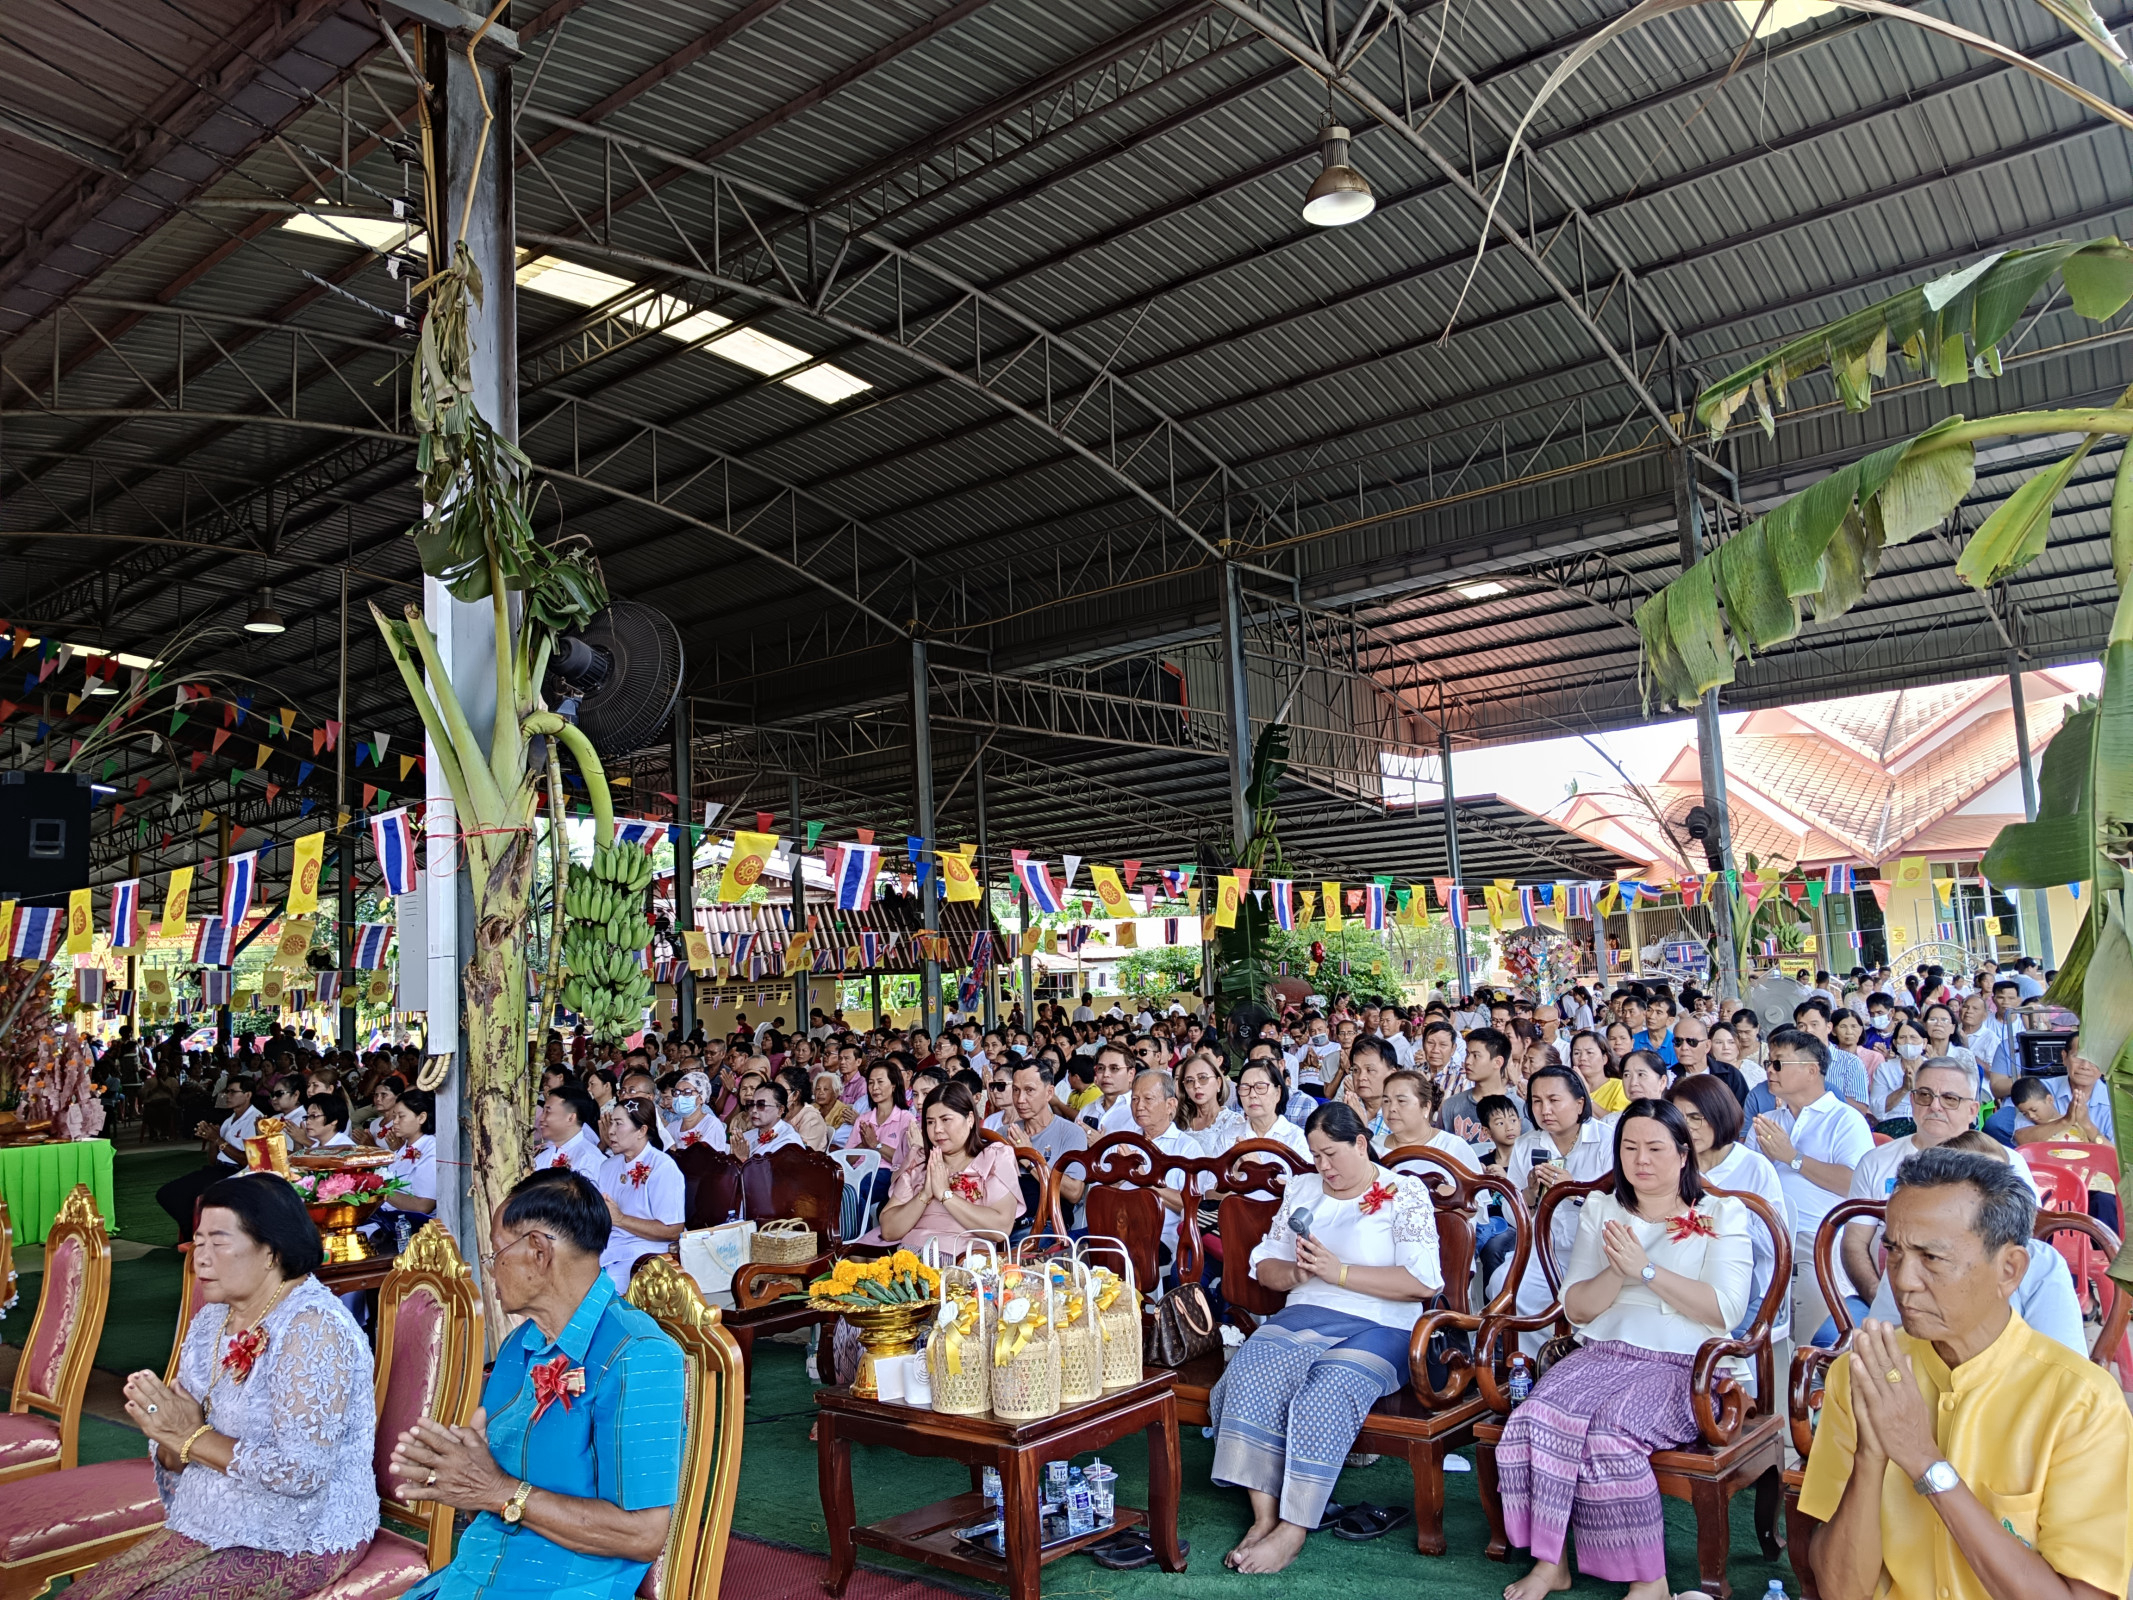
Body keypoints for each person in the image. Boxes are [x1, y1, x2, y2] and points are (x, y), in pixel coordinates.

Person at [1797, 1148, 2133, 1600]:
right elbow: (1841, 1591)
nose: (1903, 1280)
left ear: (2009, 1270)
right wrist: (1871, 1456)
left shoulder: (2083, 1403)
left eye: (1932, 1258)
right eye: (1894, 1251)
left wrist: (1922, 1460)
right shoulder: (1865, 1375)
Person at [1497, 1100, 1754, 1600]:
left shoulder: (1721, 1212)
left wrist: (1646, 1271)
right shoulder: (1603, 1209)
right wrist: (1616, 1271)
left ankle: (1649, 1580)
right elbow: (1576, 1308)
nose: (1641, 1160)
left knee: (1611, 1434)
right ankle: (1551, 1562)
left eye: (1656, 1148)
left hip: (1686, 1363)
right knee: (1534, 1417)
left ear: (1683, 1155)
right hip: (1604, 1351)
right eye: (1630, 1148)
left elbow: (1725, 1310)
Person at [79, 1175, 376, 1600]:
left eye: (218, 1243)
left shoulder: (312, 1328)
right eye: (197, 1243)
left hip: (298, 1536)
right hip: (208, 1519)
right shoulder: (210, 1323)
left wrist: (191, 1436)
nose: (201, 1259)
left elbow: (302, 1473)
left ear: (271, 1251)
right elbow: (178, 1452)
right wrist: (165, 1433)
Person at [394, 1170, 685, 1600]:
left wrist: (497, 1491)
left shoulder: (638, 1354)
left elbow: (642, 1534)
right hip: (472, 1577)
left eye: (495, 1254)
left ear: (537, 1251)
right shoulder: (521, 1344)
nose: (489, 1270)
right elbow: (489, 1483)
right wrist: (456, 1474)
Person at [1209, 1103, 1442, 1573]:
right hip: (1308, 1312)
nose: (1324, 1167)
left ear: (1361, 1143)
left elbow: (1422, 1282)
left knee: (1330, 1388)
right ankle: (1263, 1517)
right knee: (1254, 1367)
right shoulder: (1303, 1188)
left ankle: (1294, 1529)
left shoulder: (1404, 1191)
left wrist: (1339, 1273)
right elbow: (1266, 1267)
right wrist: (1298, 1271)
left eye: (1331, 1154)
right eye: (1315, 1156)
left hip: (1385, 1322)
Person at [1752, 1027, 1874, 1379]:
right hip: (1765, 1236)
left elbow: (1856, 1183)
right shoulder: (1770, 1122)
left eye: (1777, 1063)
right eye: (1767, 1062)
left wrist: (1793, 1159)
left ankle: (1797, 1396)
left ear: (1811, 1070)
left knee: (1794, 1340)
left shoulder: (1844, 1120)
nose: (1769, 1070)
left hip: (1815, 1238)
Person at [1668, 1074, 1791, 1346]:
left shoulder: (1754, 1167)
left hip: (1743, 1287)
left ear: (1718, 1114)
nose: (1687, 1128)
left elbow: (1773, 1245)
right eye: (1679, 1119)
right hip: (1678, 1280)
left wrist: (1719, 1218)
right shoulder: (1670, 1163)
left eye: (1696, 1117)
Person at [1505, 1066, 1616, 1351]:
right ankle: (1537, 1365)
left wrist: (1575, 1193)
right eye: (1537, 1101)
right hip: (1544, 1249)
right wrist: (1529, 1193)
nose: (1545, 1110)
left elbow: (1620, 1208)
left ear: (1579, 1104)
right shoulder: (1525, 1145)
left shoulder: (1608, 1141)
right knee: (1507, 1287)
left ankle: (1582, 1363)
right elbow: (1512, 1216)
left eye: (1554, 1100)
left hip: (1597, 1253)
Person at [875, 1081, 1021, 1256]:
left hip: (962, 1266)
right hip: (909, 1263)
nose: (937, 1130)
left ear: (970, 1119)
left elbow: (1001, 1228)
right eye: (930, 1122)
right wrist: (925, 1194)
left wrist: (945, 1194)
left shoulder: (994, 1158)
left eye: (945, 1120)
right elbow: (889, 1231)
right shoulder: (920, 1161)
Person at [595, 1099, 684, 1288]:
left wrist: (620, 1219)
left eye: (619, 1124)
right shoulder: (608, 1166)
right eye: (611, 1122)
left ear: (642, 1131)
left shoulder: (662, 1167)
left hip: (644, 1253)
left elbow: (673, 1231)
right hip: (608, 1246)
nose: (610, 1131)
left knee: (603, 1285)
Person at [155, 1078, 261, 1235]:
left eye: (233, 1091)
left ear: (248, 1095)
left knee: (198, 1195)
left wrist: (217, 1139)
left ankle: (193, 1233)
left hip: (238, 1173)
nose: (227, 1096)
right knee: (167, 1193)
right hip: (218, 1169)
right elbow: (213, 1161)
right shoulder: (228, 1120)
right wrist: (211, 1140)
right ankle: (190, 1229)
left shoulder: (255, 1120)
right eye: (226, 1092)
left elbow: (249, 1161)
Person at [1376, 1068, 1477, 1172]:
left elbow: (1476, 1187)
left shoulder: (1452, 1147)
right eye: (1386, 1101)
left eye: (1401, 1101)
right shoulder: (1372, 1147)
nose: (1392, 1108)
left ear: (1426, 1107)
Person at [1212, 1058, 1311, 1161]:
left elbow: (1307, 1177)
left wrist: (1258, 1168)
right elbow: (1213, 1176)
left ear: (1278, 1093)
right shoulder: (1228, 1137)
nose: (1252, 1095)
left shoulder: (1296, 1138)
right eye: (1245, 1088)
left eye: (1260, 1087)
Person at [536, 1086, 604, 1174]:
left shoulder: (589, 1160)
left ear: (570, 1118)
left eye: (548, 1111)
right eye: (543, 1112)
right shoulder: (544, 1154)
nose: (541, 1118)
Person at [737, 1080, 805, 1158]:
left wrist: (743, 1158)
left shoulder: (789, 1142)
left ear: (780, 1110)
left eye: (761, 1105)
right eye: (751, 1104)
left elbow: (770, 1170)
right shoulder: (748, 1136)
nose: (754, 1110)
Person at [664, 1070, 728, 1153]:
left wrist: (675, 1152)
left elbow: (709, 1161)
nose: (680, 1097)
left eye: (687, 1092)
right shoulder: (671, 1128)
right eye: (677, 1092)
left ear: (701, 1098)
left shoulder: (711, 1125)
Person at [1569, 1030, 1628, 1116]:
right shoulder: (1568, 1088)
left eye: (1589, 1053)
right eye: (1577, 1053)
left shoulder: (1619, 1087)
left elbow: (1616, 1124)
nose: (1582, 1058)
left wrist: (1587, 1097)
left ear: (1604, 1058)